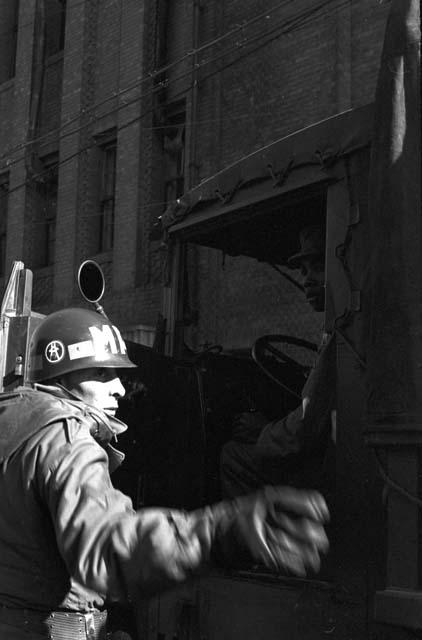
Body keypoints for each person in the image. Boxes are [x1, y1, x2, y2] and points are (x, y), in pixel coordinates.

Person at [0, 306, 329, 640]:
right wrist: (220, 533)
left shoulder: (13, 418)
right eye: (101, 373)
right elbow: (108, 549)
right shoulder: (68, 438)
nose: (120, 388)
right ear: (62, 376)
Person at [220, 225, 336, 498]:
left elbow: (303, 430)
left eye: (318, 266)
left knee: (232, 455)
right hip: (331, 457)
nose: (307, 279)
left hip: (328, 471)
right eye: (304, 271)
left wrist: (263, 431)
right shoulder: (335, 331)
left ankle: (252, 537)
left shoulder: (339, 337)